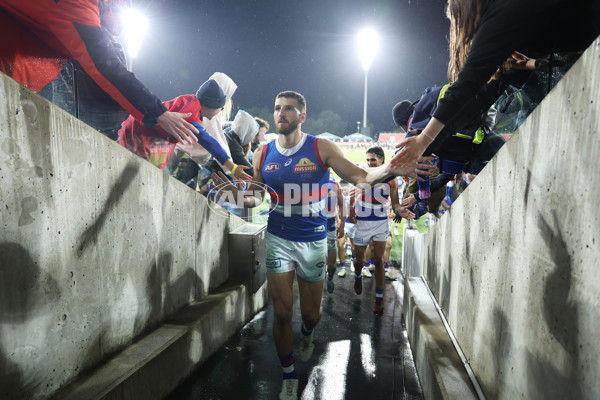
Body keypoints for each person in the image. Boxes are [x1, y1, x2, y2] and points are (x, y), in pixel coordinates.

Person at [211, 91, 430, 399]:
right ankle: (288, 374)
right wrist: (230, 193)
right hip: (277, 238)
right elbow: (256, 197)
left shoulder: (320, 147)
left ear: (302, 116)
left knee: (311, 315)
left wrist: (392, 169)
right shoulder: (263, 153)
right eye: (277, 108)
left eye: (289, 108)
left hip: (312, 240)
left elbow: (362, 176)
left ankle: (308, 333)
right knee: (283, 311)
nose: (281, 113)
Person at [392, 0, 600, 169]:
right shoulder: (511, 23)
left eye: (457, 19)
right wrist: (423, 147)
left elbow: (465, 87)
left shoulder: (501, 14)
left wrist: (424, 140)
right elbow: (479, 99)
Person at [0, 0, 199, 144]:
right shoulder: (79, 7)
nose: (114, 33)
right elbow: (105, 66)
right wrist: (158, 113)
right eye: (115, 25)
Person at [118, 78, 251, 181]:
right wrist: (232, 168)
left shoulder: (190, 102)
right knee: (152, 177)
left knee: (157, 170)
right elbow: (211, 143)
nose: (221, 111)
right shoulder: (191, 116)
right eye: (220, 108)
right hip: (140, 133)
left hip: (140, 130)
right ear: (212, 106)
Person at [348, 146, 403, 314]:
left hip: (380, 222)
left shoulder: (390, 179)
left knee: (378, 260)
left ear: (381, 160)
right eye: (368, 160)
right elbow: (351, 197)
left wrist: (399, 210)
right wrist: (350, 212)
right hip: (362, 222)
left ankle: (379, 298)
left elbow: (395, 202)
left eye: (373, 160)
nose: (369, 163)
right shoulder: (361, 174)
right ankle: (358, 276)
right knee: (358, 260)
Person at [324, 176, 345, 294]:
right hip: (312, 226)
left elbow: (342, 206)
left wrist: (341, 224)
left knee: (331, 266)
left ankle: (330, 278)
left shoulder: (335, 185)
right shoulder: (309, 181)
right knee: (315, 263)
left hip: (330, 226)